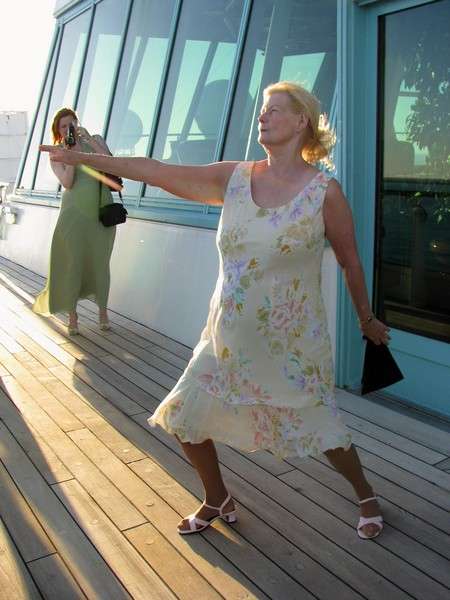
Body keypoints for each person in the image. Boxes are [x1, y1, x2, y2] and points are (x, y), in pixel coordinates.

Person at [41, 82, 389, 540]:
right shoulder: (235, 178)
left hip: (292, 346)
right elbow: (157, 170)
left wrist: (366, 318)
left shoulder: (324, 192)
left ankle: (365, 494)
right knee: (184, 417)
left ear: (302, 121)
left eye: (274, 110)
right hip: (226, 337)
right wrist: (84, 158)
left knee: (323, 431)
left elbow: (350, 260)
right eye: (262, 110)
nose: (262, 116)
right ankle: (216, 497)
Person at [33, 108, 116, 335]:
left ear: (77, 124)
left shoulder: (95, 139)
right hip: (73, 214)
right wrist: (70, 156)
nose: (68, 128)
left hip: (100, 211)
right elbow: (68, 183)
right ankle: (72, 316)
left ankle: (103, 313)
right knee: (73, 262)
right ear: (58, 131)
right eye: (63, 126)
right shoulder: (57, 153)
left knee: (100, 262)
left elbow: (111, 162)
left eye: (72, 124)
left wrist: (89, 140)